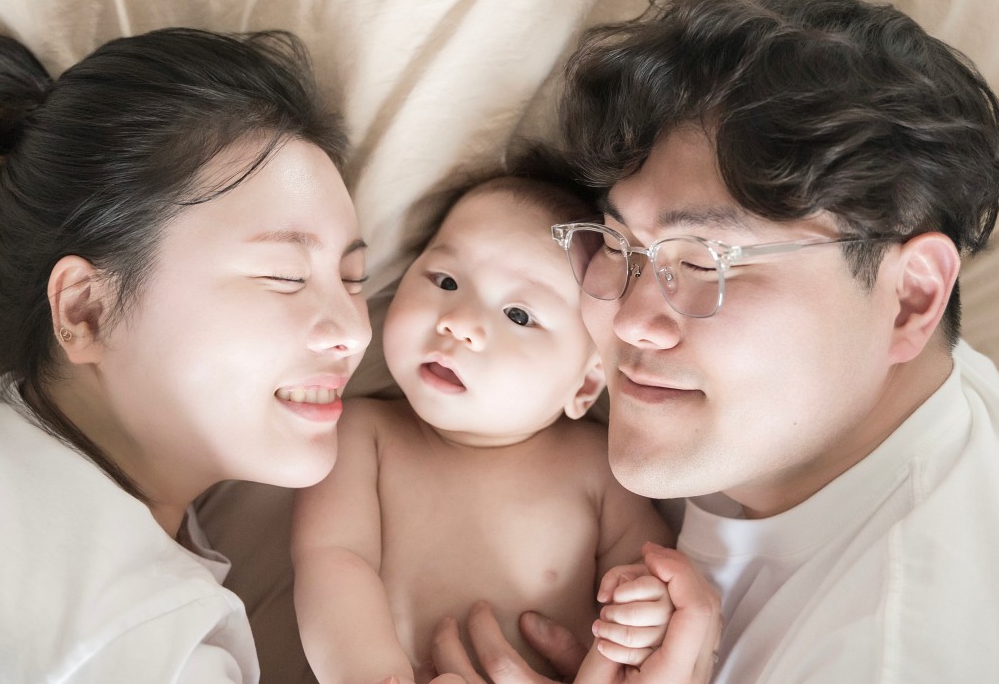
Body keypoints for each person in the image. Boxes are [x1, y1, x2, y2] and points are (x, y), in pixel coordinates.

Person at [430, 0, 999, 683]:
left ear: (911, 300)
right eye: (620, 245)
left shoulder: (891, 650)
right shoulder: (887, 390)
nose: (630, 319)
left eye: (704, 262)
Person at [0, 27, 376, 681]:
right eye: (284, 276)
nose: (356, 332)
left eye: (354, 280)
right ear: (86, 311)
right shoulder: (147, 643)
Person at [291, 167, 702, 684]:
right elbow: (332, 563)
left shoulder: (599, 467)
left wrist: (646, 611)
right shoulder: (363, 436)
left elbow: (648, 570)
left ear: (584, 385)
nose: (458, 322)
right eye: (445, 281)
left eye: (518, 315)